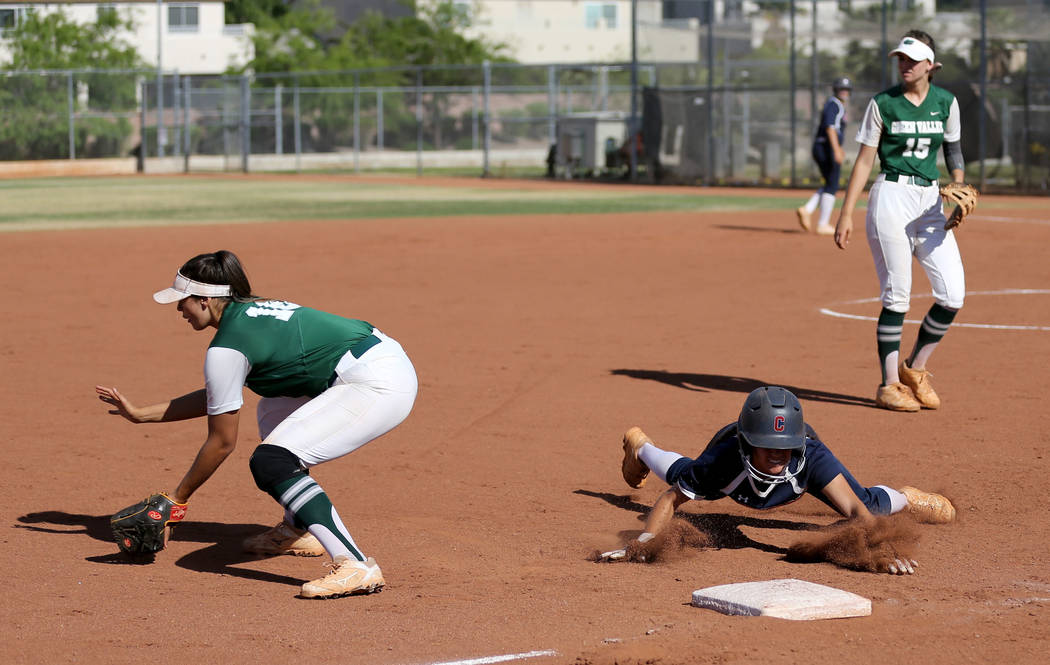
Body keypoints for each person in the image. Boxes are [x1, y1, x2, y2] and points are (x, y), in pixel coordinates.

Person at [96, 250, 418, 599]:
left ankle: (355, 565)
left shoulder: (227, 347)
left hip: (377, 382)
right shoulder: (251, 312)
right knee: (272, 408)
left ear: (205, 300)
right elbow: (220, 396)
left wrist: (178, 500)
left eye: (183, 301)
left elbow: (221, 442)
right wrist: (143, 413)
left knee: (272, 460)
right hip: (374, 359)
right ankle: (300, 527)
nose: (179, 310)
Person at [603, 387, 955, 574]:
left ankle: (907, 497)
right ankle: (642, 447)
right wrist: (645, 541)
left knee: (866, 501)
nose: (778, 454)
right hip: (726, 464)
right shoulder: (724, 460)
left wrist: (882, 549)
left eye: (786, 447)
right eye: (767, 446)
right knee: (685, 476)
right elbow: (669, 500)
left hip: (812, 476)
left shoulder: (812, 460)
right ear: (746, 444)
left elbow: (855, 512)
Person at [833, 30, 968, 412]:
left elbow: (954, 150)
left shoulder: (946, 102)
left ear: (931, 65)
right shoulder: (884, 104)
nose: (904, 66)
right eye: (900, 59)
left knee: (953, 294)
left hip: (930, 200)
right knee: (898, 295)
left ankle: (915, 370)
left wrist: (958, 188)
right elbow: (864, 160)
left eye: (912, 60)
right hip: (890, 195)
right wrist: (846, 213)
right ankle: (889, 384)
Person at [797, 77, 853, 235]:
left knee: (830, 183)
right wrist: (837, 150)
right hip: (826, 148)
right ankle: (823, 223)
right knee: (833, 184)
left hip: (823, 147)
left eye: (847, 89)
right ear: (835, 90)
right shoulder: (835, 104)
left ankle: (807, 209)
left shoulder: (835, 104)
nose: (844, 91)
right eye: (841, 88)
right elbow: (830, 128)